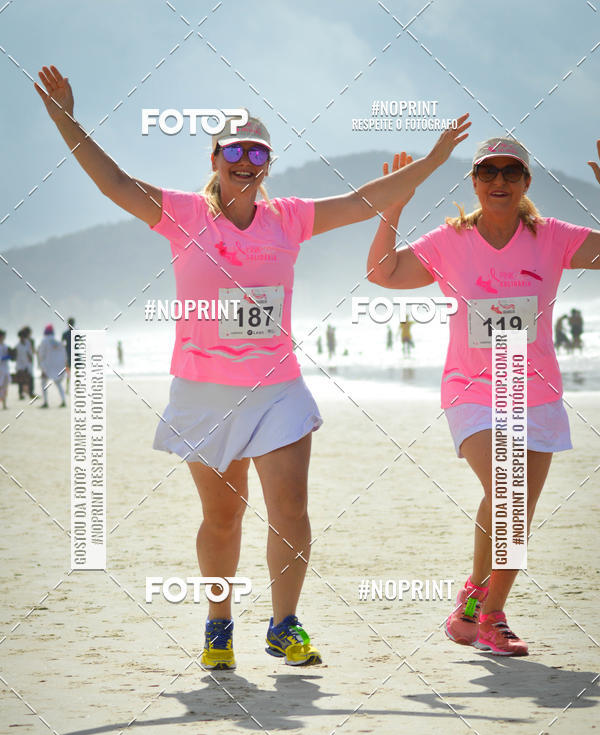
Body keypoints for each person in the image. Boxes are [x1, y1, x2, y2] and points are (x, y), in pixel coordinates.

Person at [36, 64, 469, 670]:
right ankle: (218, 626)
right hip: (205, 392)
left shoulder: (287, 218)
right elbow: (113, 182)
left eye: (258, 151)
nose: (246, 159)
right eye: (235, 149)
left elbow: (366, 200)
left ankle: (284, 624)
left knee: (291, 509)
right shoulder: (185, 215)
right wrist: (64, 117)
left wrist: (434, 159)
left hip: (276, 389)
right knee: (224, 516)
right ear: (215, 158)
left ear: (266, 164)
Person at [368, 136, 600, 655]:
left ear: (525, 182)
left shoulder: (552, 237)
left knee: (512, 509)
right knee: (508, 497)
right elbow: (382, 272)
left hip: (535, 392)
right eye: (487, 172)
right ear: (473, 182)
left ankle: (474, 600)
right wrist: (393, 208)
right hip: (471, 391)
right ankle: (494, 617)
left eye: (510, 172)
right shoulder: (451, 241)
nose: (499, 181)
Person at [37, 324, 67, 408]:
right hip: (57, 366)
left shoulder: (44, 341)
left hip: (47, 366)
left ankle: (45, 402)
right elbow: (64, 354)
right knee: (58, 383)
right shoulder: (57, 341)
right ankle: (63, 400)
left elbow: (41, 354)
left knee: (43, 383)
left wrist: (41, 366)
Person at [15, 328, 34, 400]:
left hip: (27, 364)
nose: (22, 338)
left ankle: (30, 392)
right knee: (20, 380)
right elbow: (17, 356)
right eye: (21, 337)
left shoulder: (28, 343)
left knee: (30, 378)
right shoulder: (18, 345)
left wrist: (30, 360)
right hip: (20, 364)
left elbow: (30, 352)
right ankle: (20, 394)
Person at [62, 317, 75, 390]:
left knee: (68, 372)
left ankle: (67, 388)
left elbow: (62, 344)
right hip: (76, 354)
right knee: (77, 372)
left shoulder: (65, 334)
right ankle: (77, 388)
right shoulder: (77, 332)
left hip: (68, 354)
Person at [0, 330, 10, 409]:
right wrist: (5, 357)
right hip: (1, 369)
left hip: (6, 369)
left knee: (5, 386)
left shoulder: (5, 346)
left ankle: (4, 404)